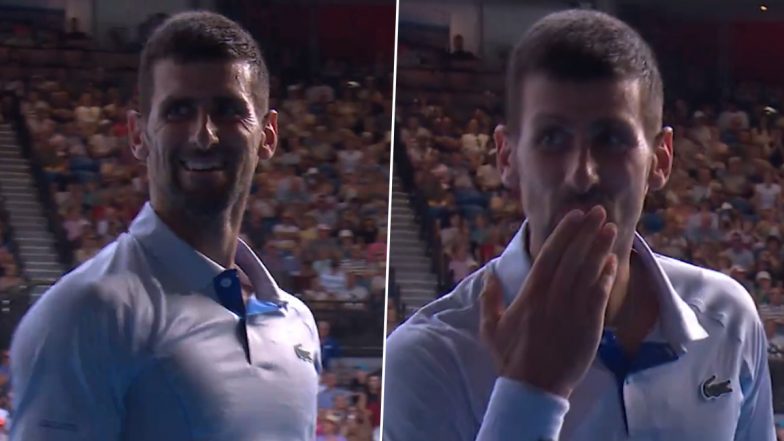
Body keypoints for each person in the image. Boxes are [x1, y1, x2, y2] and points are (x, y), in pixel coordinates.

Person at [384, 9, 774, 441]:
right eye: (552, 138)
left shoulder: (729, 318)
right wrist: (531, 390)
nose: (582, 174)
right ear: (507, 157)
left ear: (660, 160)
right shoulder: (428, 358)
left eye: (611, 139)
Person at [10, 11, 321, 441]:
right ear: (138, 134)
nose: (203, 135)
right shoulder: (86, 315)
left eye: (229, 110)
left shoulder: (296, 321)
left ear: (267, 135)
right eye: (178, 111)